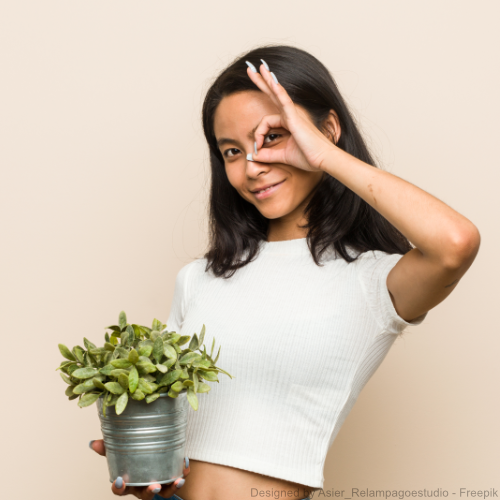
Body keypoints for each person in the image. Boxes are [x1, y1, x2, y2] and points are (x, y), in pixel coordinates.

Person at [89, 44, 481, 500]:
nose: (252, 167)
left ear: (327, 130)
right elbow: (172, 440)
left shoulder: (374, 281)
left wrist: (321, 153)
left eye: (272, 137)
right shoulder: (199, 278)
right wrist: (146, 474)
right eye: (232, 151)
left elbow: (456, 244)